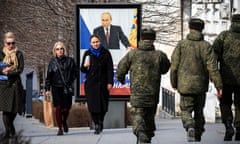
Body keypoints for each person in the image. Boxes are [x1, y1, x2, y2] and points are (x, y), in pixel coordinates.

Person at [170, 18, 223, 142]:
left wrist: (174, 82)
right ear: (202, 29)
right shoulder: (206, 46)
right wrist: (219, 86)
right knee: (199, 111)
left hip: (185, 85)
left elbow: (174, 66)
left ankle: (189, 126)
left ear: (189, 28)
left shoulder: (181, 45)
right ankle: (198, 133)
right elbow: (213, 68)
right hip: (200, 86)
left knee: (186, 110)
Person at [116, 29, 170, 144]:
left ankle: (141, 134)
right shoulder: (159, 55)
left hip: (137, 95)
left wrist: (120, 79)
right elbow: (165, 69)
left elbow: (121, 68)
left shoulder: (132, 54)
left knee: (138, 118)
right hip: (152, 95)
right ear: (153, 40)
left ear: (141, 39)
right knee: (149, 119)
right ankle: (145, 138)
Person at [212, 14, 240, 141]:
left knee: (225, 103)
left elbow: (213, 56)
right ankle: (239, 129)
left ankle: (228, 126)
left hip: (225, 78)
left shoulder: (223, 36)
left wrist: (214, 74)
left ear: (231, 22)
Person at [80, 34, 113, 134]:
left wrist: (110, 82)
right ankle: (97, 124)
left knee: (103, 106)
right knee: (93, 106)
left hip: (103, 83)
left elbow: (109, 69)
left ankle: (101, 121)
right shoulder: (87, 53)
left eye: (97, 42)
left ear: (100, 42)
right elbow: (83, 69)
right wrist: (85, 66)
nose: (95, 44)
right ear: (90, 43)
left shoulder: (106, 53)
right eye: (93, 42)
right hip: (91, 84)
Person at [45, 41, 77, 136]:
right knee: (58, 108)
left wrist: (70, 80)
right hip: (56, 88)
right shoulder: (52, 62)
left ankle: (64, 122)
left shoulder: (70, 61)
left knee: (66, 109)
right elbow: (49, 77)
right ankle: (60, 128)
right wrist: (47, 89)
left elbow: (75, 72)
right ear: (55, 51)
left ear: (64, 50)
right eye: (57, 49)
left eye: (61, 48)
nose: (60, 51)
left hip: (67, 87)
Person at [0, 32, 24, 140]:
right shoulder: (1, 54)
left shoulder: (19, 54)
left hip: (15, 84)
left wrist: (9, 72)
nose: (11, 45)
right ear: (5, 43)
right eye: (8, 43)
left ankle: (11, 126)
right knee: (5, 110)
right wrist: (3, 71)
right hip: (4, 85)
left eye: (13, 43)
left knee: (14, 109)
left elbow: (20, 69)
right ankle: (7, 131)